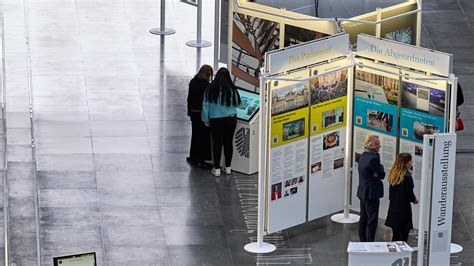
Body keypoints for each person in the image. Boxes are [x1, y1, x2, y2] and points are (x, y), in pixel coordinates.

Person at [202, 67, 241, 177]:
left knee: (217, 144)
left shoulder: (210, 88)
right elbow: (238, 103)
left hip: (216, 120)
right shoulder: (232, 88)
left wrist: (205, 119)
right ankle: (228, 167)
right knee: (228, 143)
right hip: (231, 118)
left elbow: (205, 106)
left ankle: (217, 168)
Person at [357, 134, 385, 242]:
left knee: (363, 218)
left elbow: (377, 173)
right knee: (372, 220)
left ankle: (363, 241)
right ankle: (369, 243)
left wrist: (377, 172)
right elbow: (382, 174)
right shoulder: (374, 159)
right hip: (371, 194)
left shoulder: (363, 155)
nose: (380, 146)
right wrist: (380, 169)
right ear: (372, 145)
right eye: (378, 144)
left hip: (363, 192)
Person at [385, 153, 418, 242]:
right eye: (410, 160)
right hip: (403, 210)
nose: (412, 162)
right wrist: (415, 200)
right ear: (406, 163)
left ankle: (393, 254)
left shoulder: (393, 174)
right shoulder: (407, 177)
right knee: (403, 236)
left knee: (395, 235)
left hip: (393, 208)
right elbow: (409, 195)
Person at [186, 65, 213, 167]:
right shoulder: (206, 85)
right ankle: (201, 159)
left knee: (195, 134)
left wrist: (188, 110)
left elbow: (189, 97)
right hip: (202, 113)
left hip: (193, 111)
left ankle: (193, 156)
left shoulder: (193, 81)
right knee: (203, 136)